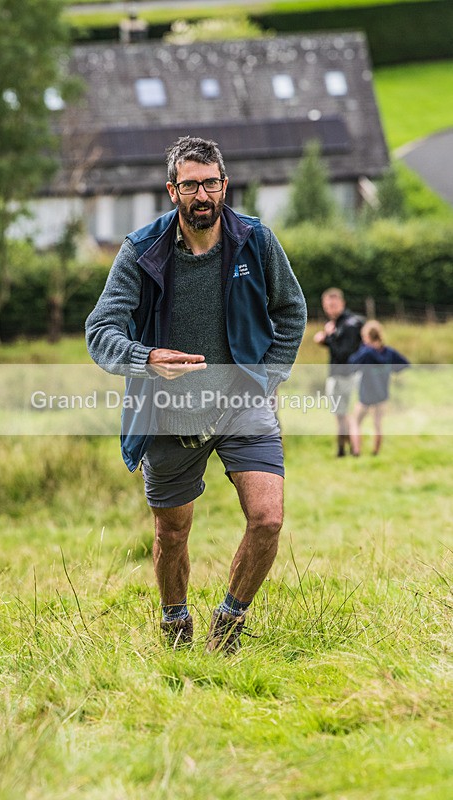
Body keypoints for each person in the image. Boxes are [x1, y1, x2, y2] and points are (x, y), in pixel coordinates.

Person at [86, 136, 306, 653]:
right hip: (167, 413)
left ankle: (229, 622)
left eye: (211, 183)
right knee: (172, 534)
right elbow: (101, 330)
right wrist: (146, 358)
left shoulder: (255, 241)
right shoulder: (142, 251)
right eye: (190, 185)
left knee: (268, 519)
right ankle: (175, 624)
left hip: (242, 403)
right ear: (172, 190)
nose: (202, 194)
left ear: (224, 185)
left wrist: (266, 378)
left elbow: (291, 311)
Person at [313, 288, 364, 457]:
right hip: (341, 374)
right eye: (327, 306)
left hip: (346, 375)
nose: (330, 309)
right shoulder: (342, 323)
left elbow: (344, 353)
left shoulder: (350, 324)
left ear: (342, 303)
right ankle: (345, 450)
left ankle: (351, 451)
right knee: (341, 414)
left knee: (344, 414)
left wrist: (327, 338)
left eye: (334, 305)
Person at [348, 320, 410, 456]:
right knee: (377, 424)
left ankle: (357, 451)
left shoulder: (366, 352)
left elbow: (351, 364)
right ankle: (375, 452)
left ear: (367, 336)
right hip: (382, 394)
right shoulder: (389, 352)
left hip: (366, 394)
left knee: (355, 421)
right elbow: (405, 364)